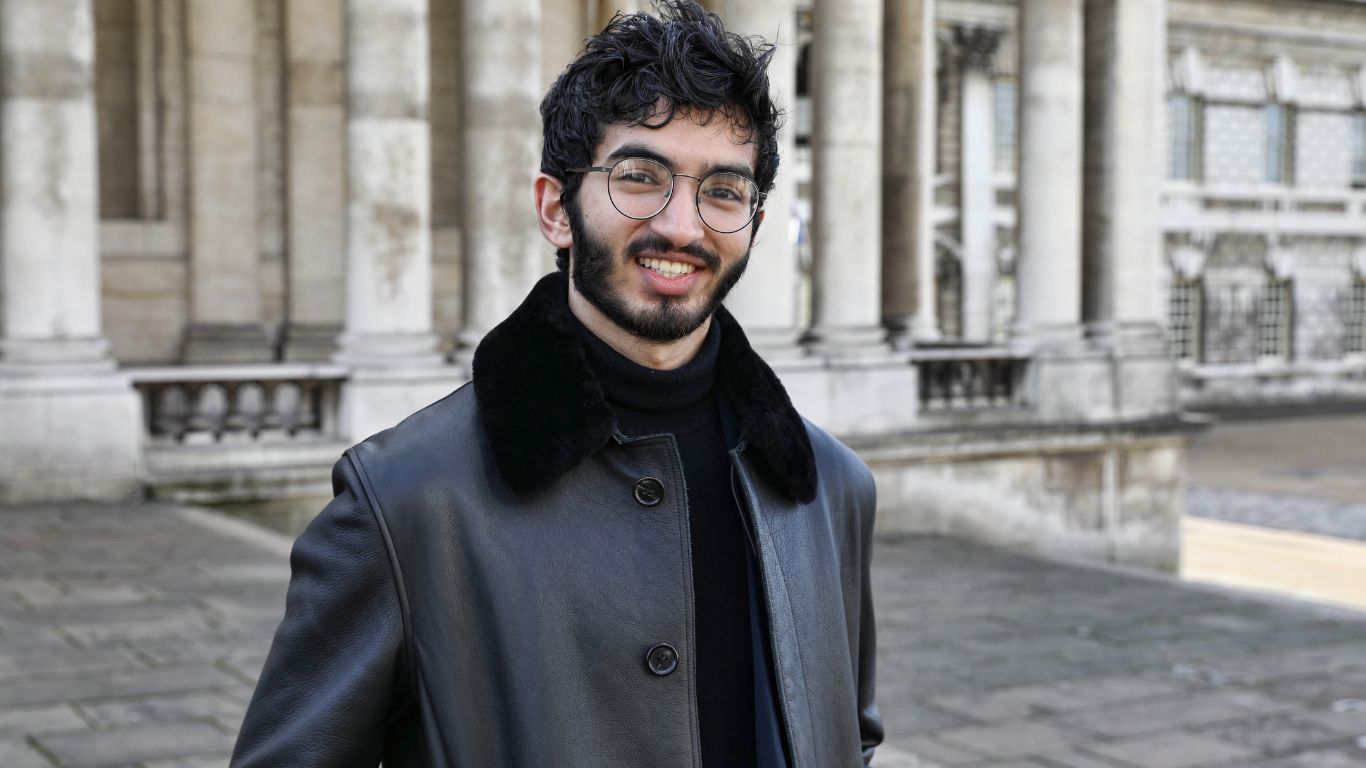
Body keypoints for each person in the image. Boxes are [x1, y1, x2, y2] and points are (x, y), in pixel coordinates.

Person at [230, 2, 882, 766]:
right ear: (556, 209)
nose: (681, 225)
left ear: (753, 225)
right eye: (639, 177)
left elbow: (847, 739)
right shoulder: (402, 503)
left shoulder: (833, 488)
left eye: (724, 191)